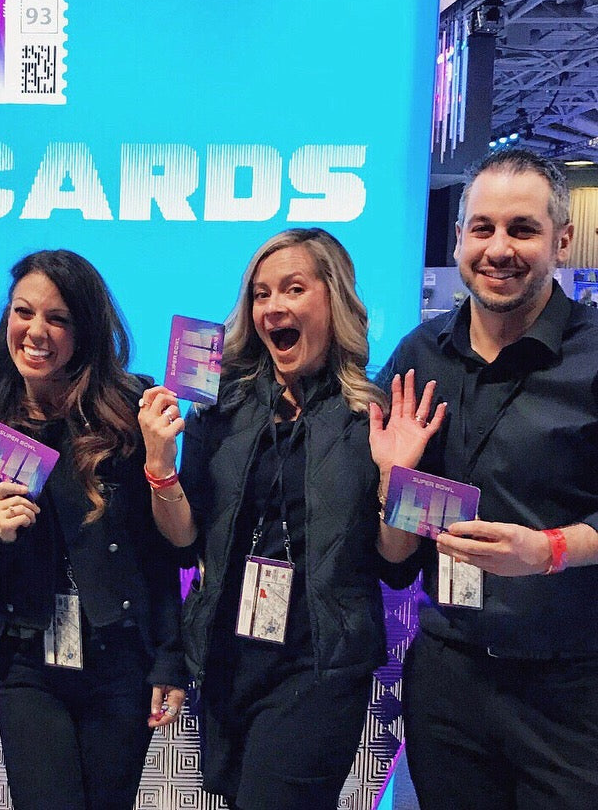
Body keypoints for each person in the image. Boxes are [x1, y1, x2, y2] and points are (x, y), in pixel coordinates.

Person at [138, 227, 442, 810]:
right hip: (228, 660)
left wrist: (393, 475)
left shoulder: (371, 415)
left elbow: (397, 564)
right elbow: (183, 542)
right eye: (260, 294)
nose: (273, 306)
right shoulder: (220, 408)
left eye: (293, 288)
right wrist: (159, 466)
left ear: (334, 300)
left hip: (319, 668)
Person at [379, 147, 598, 810]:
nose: (499, 248)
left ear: (561, 240)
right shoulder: (418, 357)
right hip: (448, 672)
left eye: (523, 230)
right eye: (483, 228)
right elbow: (394, 556)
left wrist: (549, 550)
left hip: (571, 684)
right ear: (459, 238)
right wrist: (393, 483)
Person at [0, 249, 186, 810]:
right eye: (23, 313)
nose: (36, 331)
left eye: (57, 318)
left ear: (84, 329)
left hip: (120, 657)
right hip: (29, 660)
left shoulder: (130, 409)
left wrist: (170, 656)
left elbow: (163, 554)